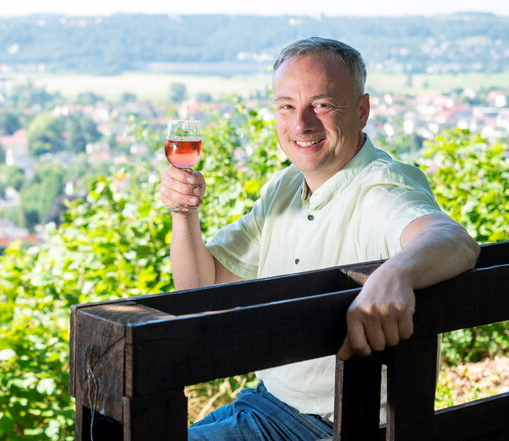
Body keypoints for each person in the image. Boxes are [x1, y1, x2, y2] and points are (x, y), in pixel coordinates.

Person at [159, 37, 480, 441]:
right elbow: (200, 289)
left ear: (361, 111)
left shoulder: (379, 188)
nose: (301, 124)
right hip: (267, 404)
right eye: (287, 106)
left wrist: (394, 273)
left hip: (333, 425)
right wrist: (183, 212)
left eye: (322, 105)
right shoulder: (286, 187)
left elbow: (453, 238)